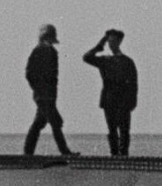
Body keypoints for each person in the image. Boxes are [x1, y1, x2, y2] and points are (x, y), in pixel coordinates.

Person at [23, 24, 78, 157]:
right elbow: (30, 73)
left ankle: (28, 153)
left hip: (47, 95)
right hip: (44, 95)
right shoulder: (42, 51)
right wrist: (39, 88)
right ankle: (64, 151)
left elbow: (32, 74)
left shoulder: (47, 51)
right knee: (55, 122)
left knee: (40, 122)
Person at [82, 29, 138, 156]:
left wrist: (133, 102)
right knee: (112, 129)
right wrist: (100, 44)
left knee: (124, 130)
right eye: (109, 41)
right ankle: (114, 154)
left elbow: (134, 84)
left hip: (124, 100)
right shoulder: (105, 60)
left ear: (119, 42)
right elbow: (86, 57)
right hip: (108, 99)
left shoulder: (127, 61)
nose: (110, 44)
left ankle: (124, 154)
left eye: (113, 41)